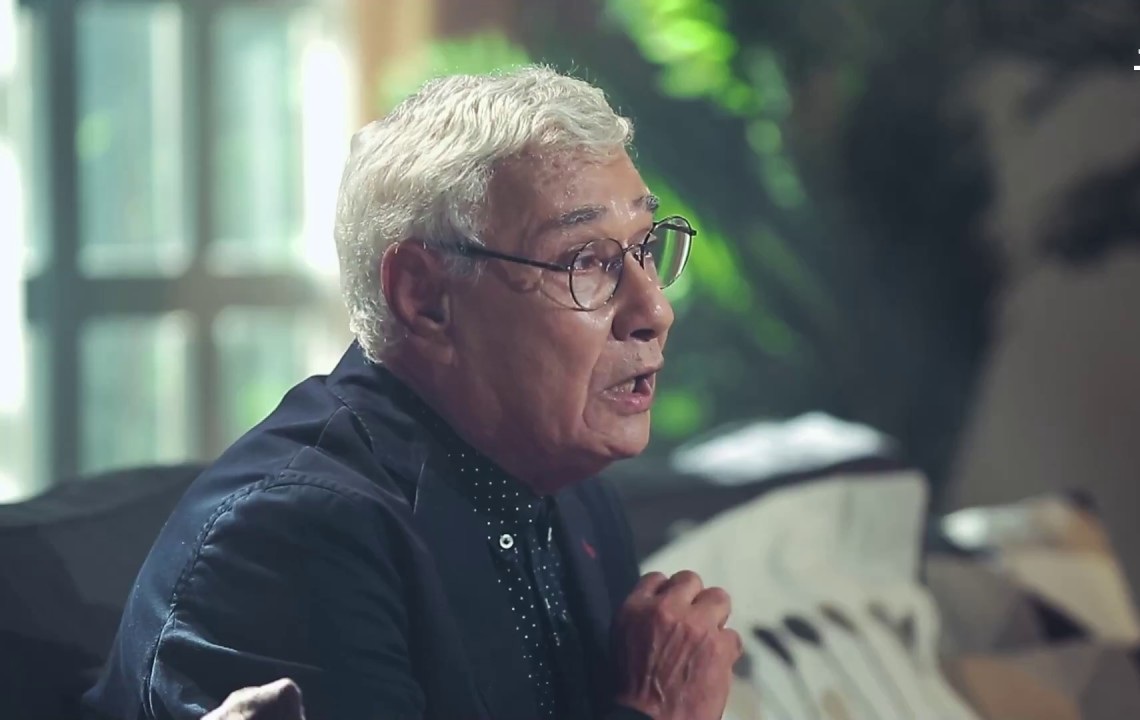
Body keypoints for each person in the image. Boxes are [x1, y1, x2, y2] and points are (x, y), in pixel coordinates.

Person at [83, 65, 742, 720]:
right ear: (424, 297)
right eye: (586, 261)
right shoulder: (293, 537)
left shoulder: (574, 492)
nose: (654, 310)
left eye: (643, 247)